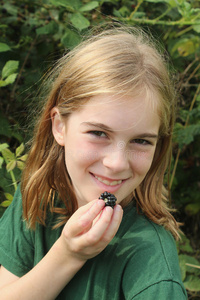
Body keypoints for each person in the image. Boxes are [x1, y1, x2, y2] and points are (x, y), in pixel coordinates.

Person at [0, 26, 187, 299]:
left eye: (141, 141)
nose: (116, 163)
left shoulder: (152, 264)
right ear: (59, 126)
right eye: (99, 133)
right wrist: (67, 254)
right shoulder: (35, 198)